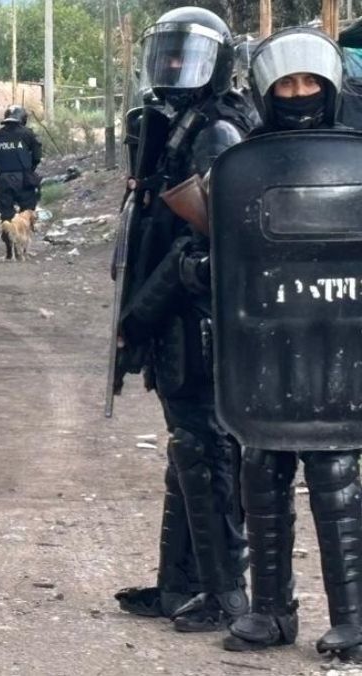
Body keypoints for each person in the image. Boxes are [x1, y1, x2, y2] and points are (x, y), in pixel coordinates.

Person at [213, 28, 362, 660]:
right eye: (286, 83)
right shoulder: (246, 159)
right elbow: (227, 247)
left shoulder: (353, 156)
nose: (298, 93)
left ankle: (353, 621)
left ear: (330, 89)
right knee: (262, 475)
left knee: (334, 478)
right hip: (263, 349)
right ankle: (271, 613)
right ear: (266, 91)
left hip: (337, 350)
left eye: (309, 83)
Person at [112, 6, 257, 632]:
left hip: (202, 320)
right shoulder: (177, 125)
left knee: (210, 453)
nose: (174, 68)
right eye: (166, 55)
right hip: (175, 319)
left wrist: (146, 309)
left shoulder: (216, 129)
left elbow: (215, 242)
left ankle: (226, 593)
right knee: (188, 452)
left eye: (186, 56)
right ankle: (180, 585)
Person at [0, 105, 43, 257]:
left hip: (4, 180)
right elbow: (37, 155)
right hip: (24, 179)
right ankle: (23, 249)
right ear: (22, 119)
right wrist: (29, 169)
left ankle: (10, 251)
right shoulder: (28, 134)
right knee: (27, 213)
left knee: (6, 216)